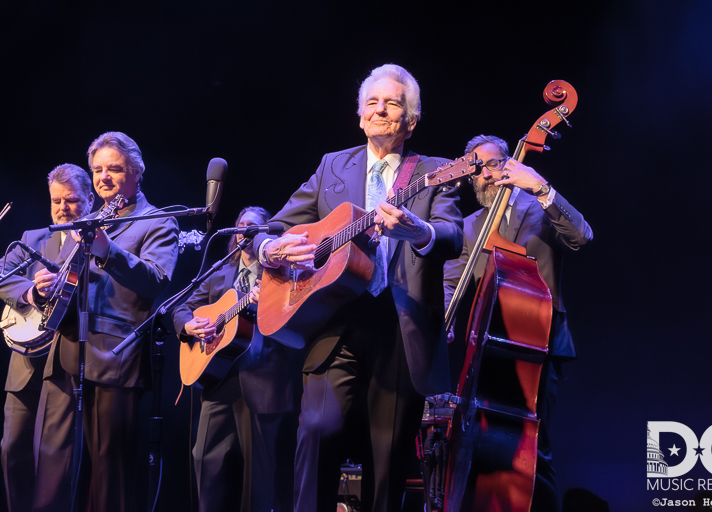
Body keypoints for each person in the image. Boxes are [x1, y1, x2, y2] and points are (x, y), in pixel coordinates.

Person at [254, 64, 464, 511]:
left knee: (385, 461)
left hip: (400, 327)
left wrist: (418, 231)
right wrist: (269, 248)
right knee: (317, 430)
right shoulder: (332, 166)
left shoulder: (435, 171)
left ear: (411, 120)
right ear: (360, 116)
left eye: (393, 103)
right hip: (335, 324)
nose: (380, 109)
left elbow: (451, 234)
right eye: (372, 102)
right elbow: (276, 225)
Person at [443, 134, 592, 512]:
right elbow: (451, 282)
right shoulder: (470, 226)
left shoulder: (539, 206)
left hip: (537, 345)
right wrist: (443, 319)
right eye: (477, 170)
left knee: (533, 449)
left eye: (493, 164)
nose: (486, 175)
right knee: (488, 451)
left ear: (511, 165)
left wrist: (541, 187)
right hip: (487, 350)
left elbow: (581, 236)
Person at [54, 131, 180, 512]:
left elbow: (156, 280)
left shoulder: (157, 221)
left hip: (116, 359)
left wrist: (108, 251)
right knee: (75, 469)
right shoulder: (90, 219)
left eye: (114, 168)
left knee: (112, 471)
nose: (103, 176)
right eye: (97, 170)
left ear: (136, 172)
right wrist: (51, 282)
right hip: (70, 356)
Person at [0, 163, 95, 512]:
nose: (62, 208)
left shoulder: (94, 241)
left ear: (89, 200)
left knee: (53, 458)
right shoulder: (32, 239)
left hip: (65, 360)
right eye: (56, 201)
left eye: (72, 200)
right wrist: (30, 292)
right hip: (24, 361)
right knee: (11, 450)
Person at [172, 206, 300, 512]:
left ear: (267, 235)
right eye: (241, 225)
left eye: (255, 227)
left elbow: (296, 320)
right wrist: (188, 325)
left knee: (258, 477)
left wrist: (269, 302)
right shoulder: (219, 272)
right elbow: (182, 306)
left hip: (263, 379)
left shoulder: (282, 273)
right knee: (205, 460)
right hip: (217, 379)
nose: (245, 230)